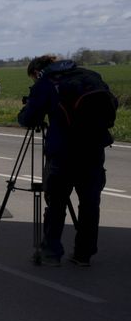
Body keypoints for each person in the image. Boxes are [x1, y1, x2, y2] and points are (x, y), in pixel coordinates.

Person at [17, 55, 116, 266]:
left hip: (63, 152)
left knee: (56, 204)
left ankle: (51, 253)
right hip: (94, 149)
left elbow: (29, 119)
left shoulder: (47, 83)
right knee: (90, 204)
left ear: (37, 72)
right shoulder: (90, 75)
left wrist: (28, 109)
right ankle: (84, 254)